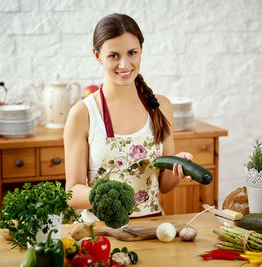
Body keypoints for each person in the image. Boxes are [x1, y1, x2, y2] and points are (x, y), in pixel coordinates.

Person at [64, 13, 193, 220]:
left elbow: (165, 187)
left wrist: (178, 166)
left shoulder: (160, 107)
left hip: (152, 228)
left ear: (141, 51)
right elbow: (72, 193)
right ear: (97, 56)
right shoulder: (83, 113)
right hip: (102, 232)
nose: (124, 65)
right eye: (113, 55)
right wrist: (109, 197)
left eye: (132, 53)